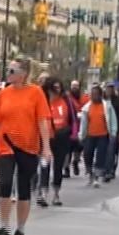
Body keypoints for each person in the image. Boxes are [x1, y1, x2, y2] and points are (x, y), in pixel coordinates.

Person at [0, 58, 51, 235]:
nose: (9, 73)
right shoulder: (4, 94)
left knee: (23, 188)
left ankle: (20, 228)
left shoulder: (36, 93)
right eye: (9, 70)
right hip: (5, 144)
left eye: (12, 70)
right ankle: (4, 226)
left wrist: (46, 147)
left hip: (28, 146)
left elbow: (42, 121)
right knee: (5, 183)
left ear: (23, 74)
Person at [39, 76, 76, 206]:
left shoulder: (66, 100)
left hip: (61, 137)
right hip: (46, 138)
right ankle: (43, 193)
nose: (57, 90)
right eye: (55, 88)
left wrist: (72, 133)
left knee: (58, 166)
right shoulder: (43, 101)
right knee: (44, 166)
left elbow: (73, 117)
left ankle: (56, 194)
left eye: (59, 87)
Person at [79, 85, 116, 187]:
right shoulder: (87, 108)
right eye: (92, 94)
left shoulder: (107, 106)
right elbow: (83, 123)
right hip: (90, 135)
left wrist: (113, 133)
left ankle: (96, 177)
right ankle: (90, 173)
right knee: (87, 154)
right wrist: (81, 135)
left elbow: (112, 120)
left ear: (100, 95)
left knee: (100, 156)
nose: (94, 96)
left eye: (96, 94)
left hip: (102, 135)